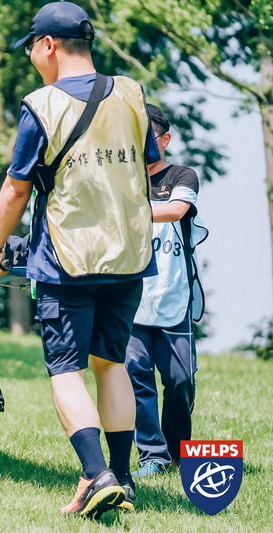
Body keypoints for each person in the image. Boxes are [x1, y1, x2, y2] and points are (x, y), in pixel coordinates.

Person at [0, 1, 161, 518]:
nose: (31, 58)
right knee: (111, 363)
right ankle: (123, 478)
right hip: (128, 255)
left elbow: (17, 188)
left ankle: (95, 474)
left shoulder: (41, 104)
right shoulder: (132, 93)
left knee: (66, 370)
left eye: (32, 49)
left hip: (69, 258)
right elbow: (148, 164)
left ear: (49, 46)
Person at [126, 104, 207, 477]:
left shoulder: (182, 175)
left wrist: (124, 211)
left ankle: (177, 451)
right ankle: (152, 455)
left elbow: (175, 211)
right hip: (131, 298)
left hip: (174, 297)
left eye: (147, 137)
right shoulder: (121, 180)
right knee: (135, 373)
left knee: (180, 381)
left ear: (165, 139)